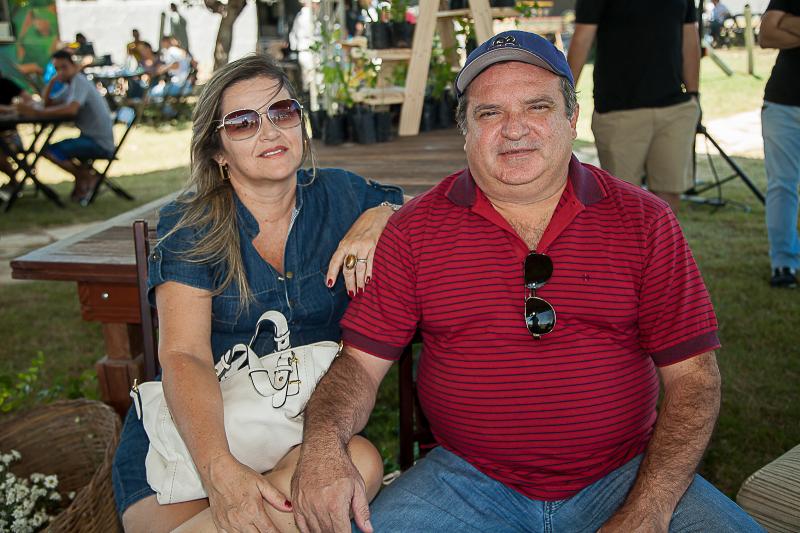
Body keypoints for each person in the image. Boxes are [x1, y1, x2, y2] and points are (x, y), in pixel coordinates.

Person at [290, 30, 765, 532]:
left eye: (537, 107)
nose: (514, 129)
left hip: (626, 475)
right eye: (489, 113)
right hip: (465, 482)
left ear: (572, 119)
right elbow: (358, 367)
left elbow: (694, 378)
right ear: (466, 132)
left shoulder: (644, 221)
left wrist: (649, 508)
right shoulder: (416, 231)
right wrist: (321, 446)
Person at [111, 54, 405, 533]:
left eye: (282, 112)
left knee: (361, 462)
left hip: (298, 437)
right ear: (218, 151)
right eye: (243, 123)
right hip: (189, 447)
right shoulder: (193, 223)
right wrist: (220, 471)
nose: (270, 132)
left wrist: (382, 214)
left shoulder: (341, 196)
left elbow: (425, 208)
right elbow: (185, 355)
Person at [567, 0, 702, 213]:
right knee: (622, 201)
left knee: (669, 195)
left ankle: (664, 238)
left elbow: (690, 37)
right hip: (619, 111)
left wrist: (693, 95)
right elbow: (582, 40)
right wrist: (564, 98)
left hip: (675, 108)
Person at [14, 49, 114, 203]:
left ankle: (85, 177)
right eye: (57, 69)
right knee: (48, 150)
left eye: (64, 67)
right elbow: (47, 104)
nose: (61, 72)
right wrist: (53, 81)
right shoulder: (70, 84)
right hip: (90, 138)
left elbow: (71, 109)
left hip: (99, 143)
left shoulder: (79, 81)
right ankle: (85, 177)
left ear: (74, 65)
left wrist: (36, 113)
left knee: (49, 151)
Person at [759, 0, 800, 289]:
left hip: (782, 106)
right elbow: (766, 34)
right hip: (782, 103)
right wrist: (778, 26)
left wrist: (788, 23)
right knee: (782, 185)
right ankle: (783, 262)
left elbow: (778, 27)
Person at [0, 72, 34, 200]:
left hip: (10, 136)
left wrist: (16, 108)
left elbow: (28, 99)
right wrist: (11, 109)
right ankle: (13, 182)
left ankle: (13, 182)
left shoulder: (6, 83)